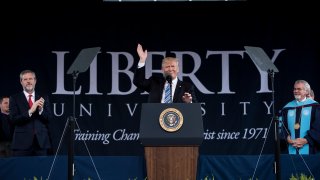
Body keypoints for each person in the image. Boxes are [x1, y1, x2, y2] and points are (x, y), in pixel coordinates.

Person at [133, 43, 197, 103]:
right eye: (167, 67)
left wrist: (189, 102)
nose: (170, 69)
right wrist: (142, 60)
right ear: (162, 69)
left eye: (173, 66)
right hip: (155, 114)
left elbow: (194, 109)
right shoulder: (154, 82)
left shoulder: (187, 87)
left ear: (178, 69)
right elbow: (138, 82)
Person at [9, 70, 53, 156]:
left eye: (30, 79)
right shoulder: (14, 98)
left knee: (41, 169)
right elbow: (13, 119)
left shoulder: (43, 97)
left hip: (41, 143)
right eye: (25, 79)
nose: (28, 81)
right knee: (21, 169)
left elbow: (49, 118)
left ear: (35, 81)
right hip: (21, 143)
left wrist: (41, 110)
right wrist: (30, 111)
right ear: (21, 82)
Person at [279, 80, 320, 154]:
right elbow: (282, 126)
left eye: (299, 89)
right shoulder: (287, 108)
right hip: (290, 148)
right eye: (294, 89)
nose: (296, 91)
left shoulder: (315, 107)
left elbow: (318, 127)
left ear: (306, 91)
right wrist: (287, 138)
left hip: (310, 149)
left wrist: (307, 140)